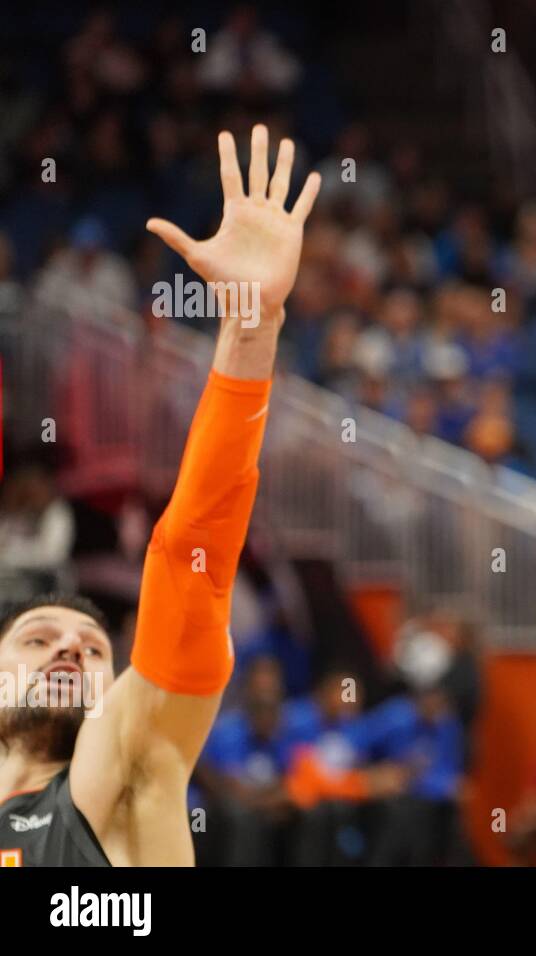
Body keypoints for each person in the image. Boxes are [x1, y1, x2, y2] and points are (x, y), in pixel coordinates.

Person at [0, 125, 320, 865]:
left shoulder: (122, 762)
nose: (72, 652)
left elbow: (191, 552)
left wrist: (250, 327)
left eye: (90, 650)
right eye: (39, 641)